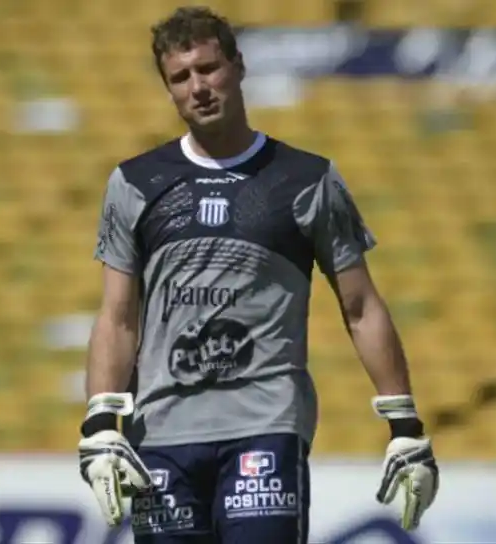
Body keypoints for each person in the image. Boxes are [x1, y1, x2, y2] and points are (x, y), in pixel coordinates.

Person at [76, 6, 439, 543]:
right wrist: (100, 422)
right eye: (180, 77)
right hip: (161, 435)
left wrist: (404, 425)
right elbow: (117, 316)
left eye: (208, 68)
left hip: (265, 426)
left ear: (238, 66)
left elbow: (360, 306)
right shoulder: (134, 183)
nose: (198, 87)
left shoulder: (306, 178)